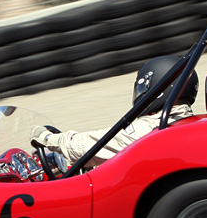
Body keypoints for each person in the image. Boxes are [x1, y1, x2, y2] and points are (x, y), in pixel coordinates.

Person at [31, 55, 197, 169]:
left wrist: (49, 139)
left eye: (144, 87)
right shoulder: (186, 120)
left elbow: (94, 145)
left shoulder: (150, 128)